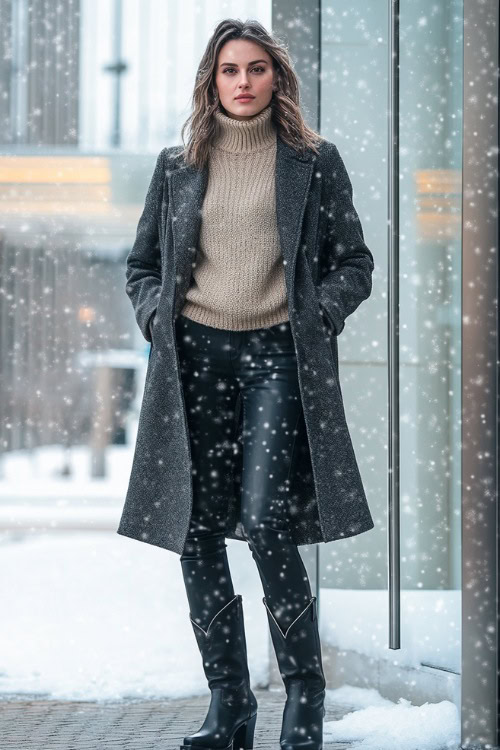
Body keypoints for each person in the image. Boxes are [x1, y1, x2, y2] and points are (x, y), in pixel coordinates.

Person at [124, 17, 375, 750]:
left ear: (276, 79)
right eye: (230, 70)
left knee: (267, 523)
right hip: (195, 359)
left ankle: (304, 701)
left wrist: (316, 315)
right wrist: (153, 317)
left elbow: (352, 261)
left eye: (256, 69)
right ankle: (229, 707)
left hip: (276, 359)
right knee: (195, 530)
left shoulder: (312, 160)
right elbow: (141, 264)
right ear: (212, 80)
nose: (243, 82)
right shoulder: (178, 164)